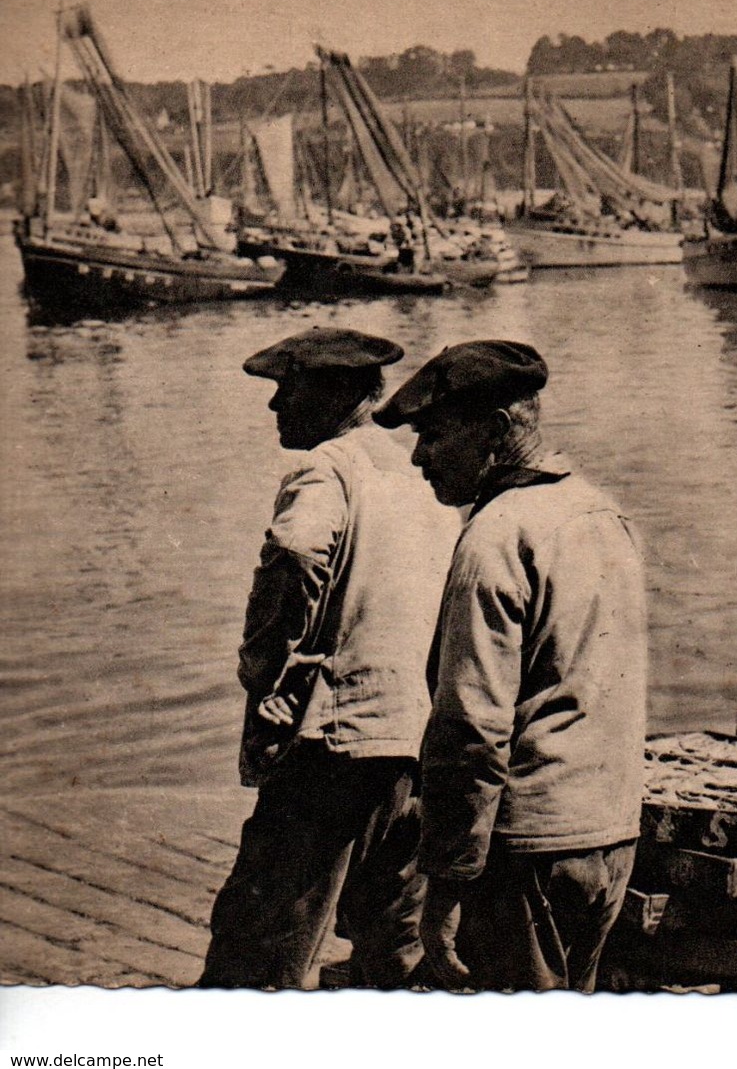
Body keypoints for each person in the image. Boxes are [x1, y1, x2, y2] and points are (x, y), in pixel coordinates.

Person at [374, 340, 648, 992]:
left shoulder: (496, 537)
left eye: (433, 435)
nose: (418, 457)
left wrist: (444, 882)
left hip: (527, 854)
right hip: (608, 836)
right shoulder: (600, 512)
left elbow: (470, 729)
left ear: (495, 432)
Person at [199, 328, 461, 989]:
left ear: (336, 393)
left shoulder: (327, 466)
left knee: (260, 946)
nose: (274, 406)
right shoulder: (416, 472)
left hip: (332, 744)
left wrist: (263, 668)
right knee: (388, 942)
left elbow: (294, 555)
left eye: (288, 389)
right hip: (408, 740)